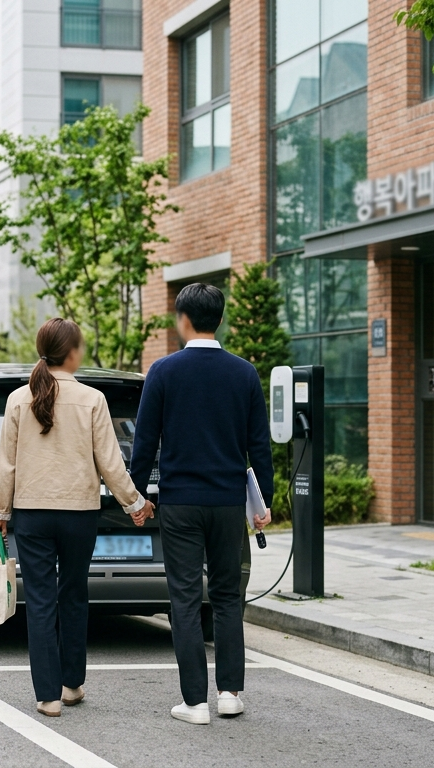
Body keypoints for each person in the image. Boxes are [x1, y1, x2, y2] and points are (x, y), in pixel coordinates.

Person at [0, 318, 155, 718]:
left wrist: (0, 513)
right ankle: (71, 685)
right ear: (73, 352)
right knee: (74, 594)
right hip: (79, 514)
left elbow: (7, 465)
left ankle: (47, 697)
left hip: (31, 515)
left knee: (41, 600)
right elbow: (110, 463)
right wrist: (135, 505)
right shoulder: (92, 399)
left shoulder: (18, 399)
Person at [128, 282, 273, 725]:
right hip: (229, 503)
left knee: (185, 599)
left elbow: (145, 442)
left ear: (182, 320)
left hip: (180, 505)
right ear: (219, 319)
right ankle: (230, 693)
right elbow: (259, 446)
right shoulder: (244, 373)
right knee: (229, 597)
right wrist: (262, 504)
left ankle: (194, 703)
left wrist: (136, 497)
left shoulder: (163, 371)